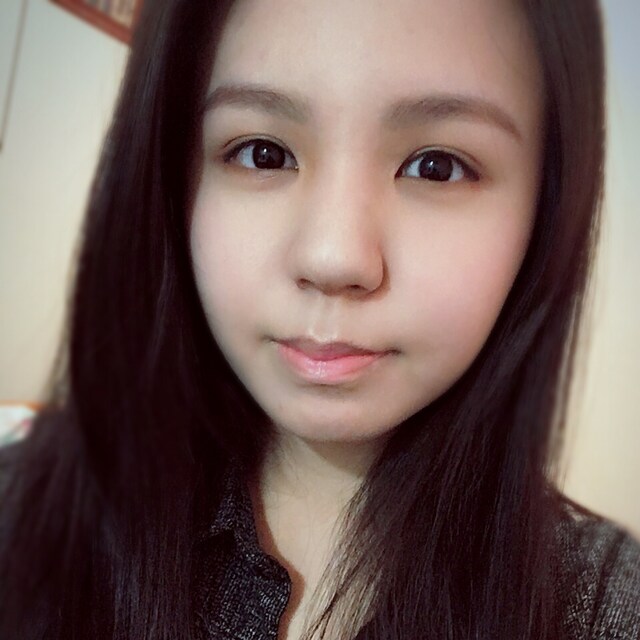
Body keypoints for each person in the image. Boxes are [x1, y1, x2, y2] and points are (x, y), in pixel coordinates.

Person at [1, 0, 639, 638]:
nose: (333, 258)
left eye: (436, 166)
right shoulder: (22, 512)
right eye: (263, 154)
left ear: (546, 209)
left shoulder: (601, 605)